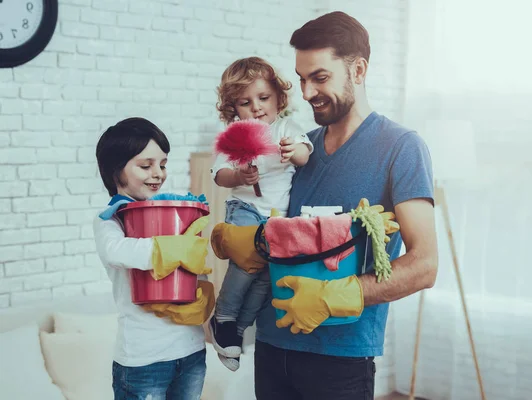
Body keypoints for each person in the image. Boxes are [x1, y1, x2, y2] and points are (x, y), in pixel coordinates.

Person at [251, 11, 439, 400]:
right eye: (302, 79)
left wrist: (336, 294)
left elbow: (425, 265)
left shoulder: (401, 148)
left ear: (358, 70)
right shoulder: (299, 148)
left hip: (339, 360)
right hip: (271, 344)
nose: (306, 93)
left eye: (319, 77)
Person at [94, 117, 214, 399]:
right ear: (115, 171)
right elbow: (117, 251)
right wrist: (169, 250)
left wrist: (202, 293)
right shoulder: (111, 220)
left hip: (191, 351)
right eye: (145, 166)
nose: (158, 173)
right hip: (143, 360)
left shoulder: (176, 212)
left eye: (162, 164)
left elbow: (192, 266)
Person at [209, 57, 313, 372]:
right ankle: (224, 316)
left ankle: (238, 328)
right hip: (245, 209)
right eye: (245, 102)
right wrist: (239, 176)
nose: (256, 107)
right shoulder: (235, 135)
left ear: (279, 99)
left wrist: (292, 152)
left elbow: (306, 154)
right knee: (245, 261)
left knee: (266, 276)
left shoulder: (286, 128)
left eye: (263, 98)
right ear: (233, 109)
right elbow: (219, 174)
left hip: (277, 219)